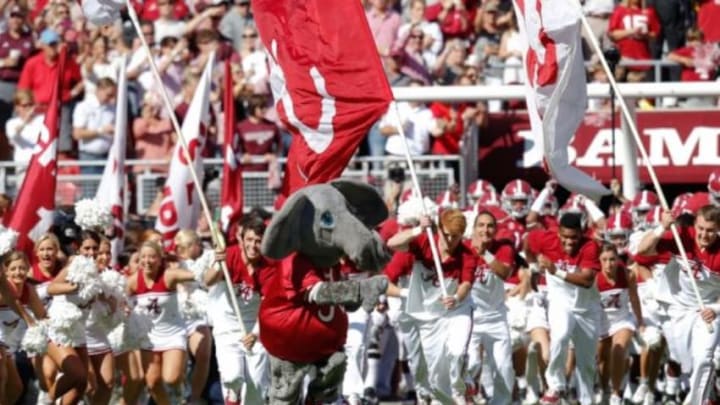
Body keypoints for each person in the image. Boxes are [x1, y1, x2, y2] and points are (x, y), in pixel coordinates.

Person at [387, 208, 476, 403]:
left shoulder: (467, 254)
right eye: (447, 235)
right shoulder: (423, 242)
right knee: (433, 371)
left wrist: (456, 297)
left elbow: (466, 284)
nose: (451, 241)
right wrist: (419, 229)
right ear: (439, 229)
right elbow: (392, 243)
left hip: (457, 310)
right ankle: (440, 397)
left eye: (456, 237)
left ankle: (461, 389)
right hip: (428, 316)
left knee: (457, 351)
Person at [636, 205, 720, 404]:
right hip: (677, 310)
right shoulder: (682, 235)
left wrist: (716, 309)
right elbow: (643, 251)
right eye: (701, 228)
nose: (704, 235)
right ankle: (709, 394)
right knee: (686, 364)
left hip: (707, 310)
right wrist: (662, 227)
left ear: (718, 229)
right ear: (695, 225)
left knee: (704, 360)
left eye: (710, 230)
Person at [525, 213, 601, 405]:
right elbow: (528, 243)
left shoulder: (590, 246)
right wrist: (534, 267)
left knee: (587, 364)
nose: (569, 242)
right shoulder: (545, 237)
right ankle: (556, 385)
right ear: (558, 232)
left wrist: (555, 271)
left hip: (586, 308)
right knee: (560, 334)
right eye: (565, 237)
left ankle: (587, 400)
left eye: (574, 237)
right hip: (560, 301)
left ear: (581, 234)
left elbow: (586, 280)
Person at [207, 216, 273, 404]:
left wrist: (255, 334)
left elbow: (269, 306)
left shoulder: (270, 267)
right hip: (227, 327)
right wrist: (217, 264)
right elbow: (207, 280)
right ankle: (232, 396)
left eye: (258, 241)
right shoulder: (229, 255)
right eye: (249, 240)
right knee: (232, 377)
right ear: (241, 239)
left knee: (256, 388)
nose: (253, 246)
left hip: (256, 329)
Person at [127, 241, 196, 405]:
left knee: (171, 378)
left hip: (172, 334)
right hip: (149, 337)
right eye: (143, 257)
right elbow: (119, 298)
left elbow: (194, 275)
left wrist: (215, 262)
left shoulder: (168, 275)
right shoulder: (133, 281)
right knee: (152, 383)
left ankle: (183, 383)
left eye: (152, 257)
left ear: (160, 259)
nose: (147, 261)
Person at [46, 230, 104, 404]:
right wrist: (72, 288)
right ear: (77, 248)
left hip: (78, 330)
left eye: (95, 248)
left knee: (81, 384)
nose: (91, 253)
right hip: (59, 328)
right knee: (76, 374)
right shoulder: (73, 265)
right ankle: (45, 401)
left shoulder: (96, 271)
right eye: (87, 248)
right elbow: (51, 288)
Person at [466, 210, 516, 405]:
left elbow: (504, 273)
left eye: (490, 226)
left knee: (504, 370)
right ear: (474, 228)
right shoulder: (463, 249)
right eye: (481, 225)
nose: (485, 230)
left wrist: (484, 254)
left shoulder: (504, 248)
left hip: (496, 318)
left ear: (495, 230)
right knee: (472, 363)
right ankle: (465, 393)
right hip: (470, 318)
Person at [17, 28, 82, 156]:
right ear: (42, 45)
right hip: (37, 109)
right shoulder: (32, 63)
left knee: (62, 145)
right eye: (50, 44)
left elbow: (81, 80)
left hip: (60, 107)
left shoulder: (67, 62)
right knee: (38, 144)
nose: (53, 48)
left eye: (55, 44)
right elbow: (23, 89)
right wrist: (27, 109)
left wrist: (72, 93)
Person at [596, 244, 643, 405]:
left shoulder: (627, 274)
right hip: (601, 323)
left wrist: (640, 321)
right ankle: (604, 390)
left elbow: (635, 298)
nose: (609, 264)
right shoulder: (594, 278)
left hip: (622, 320)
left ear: (618, 259)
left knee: (618, 350)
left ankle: (616, 395)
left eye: (612, 259)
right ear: (599, 261)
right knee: (602, 360)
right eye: (604, 260)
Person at [0, 251, 46, 405]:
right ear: (5, 271)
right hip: (1, 346)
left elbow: (43, 316)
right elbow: (13, 301)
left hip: (10, 348)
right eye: (13, 269)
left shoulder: (29, 290)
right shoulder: (3, 290)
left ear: (28, 269)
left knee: (16, 388)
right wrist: (29, 319)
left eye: (22, 268)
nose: (18, 272)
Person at [173, 230, 213, 404]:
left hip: (196, 313)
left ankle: (194, 398)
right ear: (189, 246)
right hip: (176, 315)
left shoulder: (204, 260)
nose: (201, 247)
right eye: (198, 243)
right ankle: (178, 396)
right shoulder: (173, 263)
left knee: (204, 353)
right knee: (179, 363)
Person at [71, 77, 117, 176]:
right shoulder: (83, 107)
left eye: (113, 96)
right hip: (89, 157)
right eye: (108, 95)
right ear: (99, 90)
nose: (111, 99)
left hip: (108, 156)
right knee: (91, 190)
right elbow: (77, 134)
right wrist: (101, 131)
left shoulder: (113, 108)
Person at [5, 89, 44, 185]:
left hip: (41, 166)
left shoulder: (42, 119)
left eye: (30, 104)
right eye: (24, 105)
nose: (28, 108)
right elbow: (13, 135)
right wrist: (26, 120)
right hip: (23, 166)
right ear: (17, 107)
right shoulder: (11, 123)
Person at [236, 94, 281, 171]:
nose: (264, 110)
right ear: (253, 108)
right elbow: (235, 147)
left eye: (265, 107)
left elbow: (279, 145)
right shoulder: (241, 127)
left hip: (268, 171)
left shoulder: (272, 126)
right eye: (261, 107)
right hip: (247, 171)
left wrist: (274, 155)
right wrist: (242, 156)